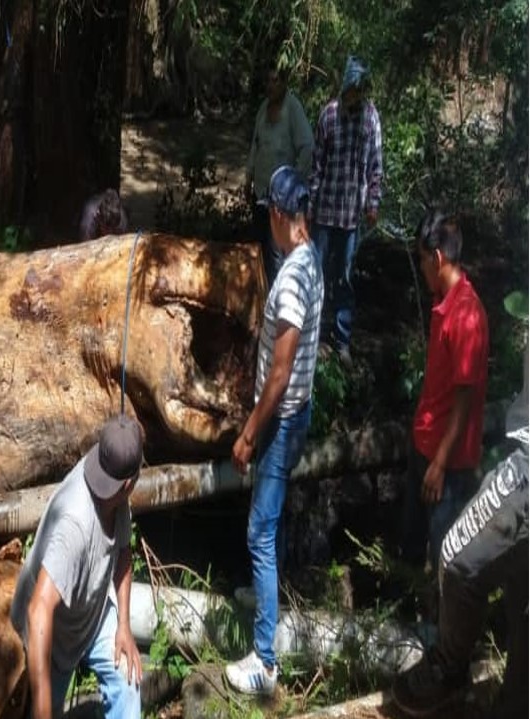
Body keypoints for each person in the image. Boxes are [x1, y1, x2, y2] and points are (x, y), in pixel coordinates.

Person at [225, 166, 324, 695]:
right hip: (295, 413)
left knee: (259, 531)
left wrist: (247, 432)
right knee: (271, 517)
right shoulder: (311, 261)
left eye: (270, 212)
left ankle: (265, 661)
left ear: (282, 215)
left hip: (281, 419)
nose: (267, 220)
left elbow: (281, 373)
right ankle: (265, 598)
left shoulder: (290, 279)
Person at [392, 354, 527, 719]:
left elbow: (465, 391)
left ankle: (449, 670)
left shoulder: (463, 312)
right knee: (523, 604)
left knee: (456, 556)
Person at [10, 414, 144, 719]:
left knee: (129, 677)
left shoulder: (109, 474)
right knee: (42, 711)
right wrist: (43, 704)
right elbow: (38, 608)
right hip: (53, 636)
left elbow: (123, 552)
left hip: (93, 615)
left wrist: (123, 625)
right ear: (128, 483)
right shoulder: (75, 524)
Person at [399, 211, 489, 579]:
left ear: (437, 258)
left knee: (445, 559)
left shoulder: (466, 315)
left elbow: (464, 400)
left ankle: (439, 634)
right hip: (424, 449)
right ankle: (403, 627)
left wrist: (438, 464)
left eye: (421, 259)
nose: (421, 268)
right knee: (410, 544)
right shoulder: (444, 302)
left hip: (447, 467)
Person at [308, 55, 383, 367]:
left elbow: (376, 166)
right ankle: (314, 334)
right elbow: (316, 165)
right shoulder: (328, 116)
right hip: (325, 213)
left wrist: (373, 203)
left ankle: (342, 341)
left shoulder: (370, 118)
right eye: (352, 89)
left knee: (345, 278)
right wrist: (309, 206)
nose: (356, 95)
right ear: (345, 87)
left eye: (360, 90)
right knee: (318, 273)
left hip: (351, 217)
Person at [246, 63, 314, 286]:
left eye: (275, 81)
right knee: (259, 251)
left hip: (283, 199)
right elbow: (256, 144)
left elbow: (307, 146)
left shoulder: (293, 109)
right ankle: (262, 299)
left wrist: (296, 183)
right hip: (261, 193)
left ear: (284, 83)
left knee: (278, 254)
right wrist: (249, 174)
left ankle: (278, 303)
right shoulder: (263, 109)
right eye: (267, 81)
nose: (270, 86)